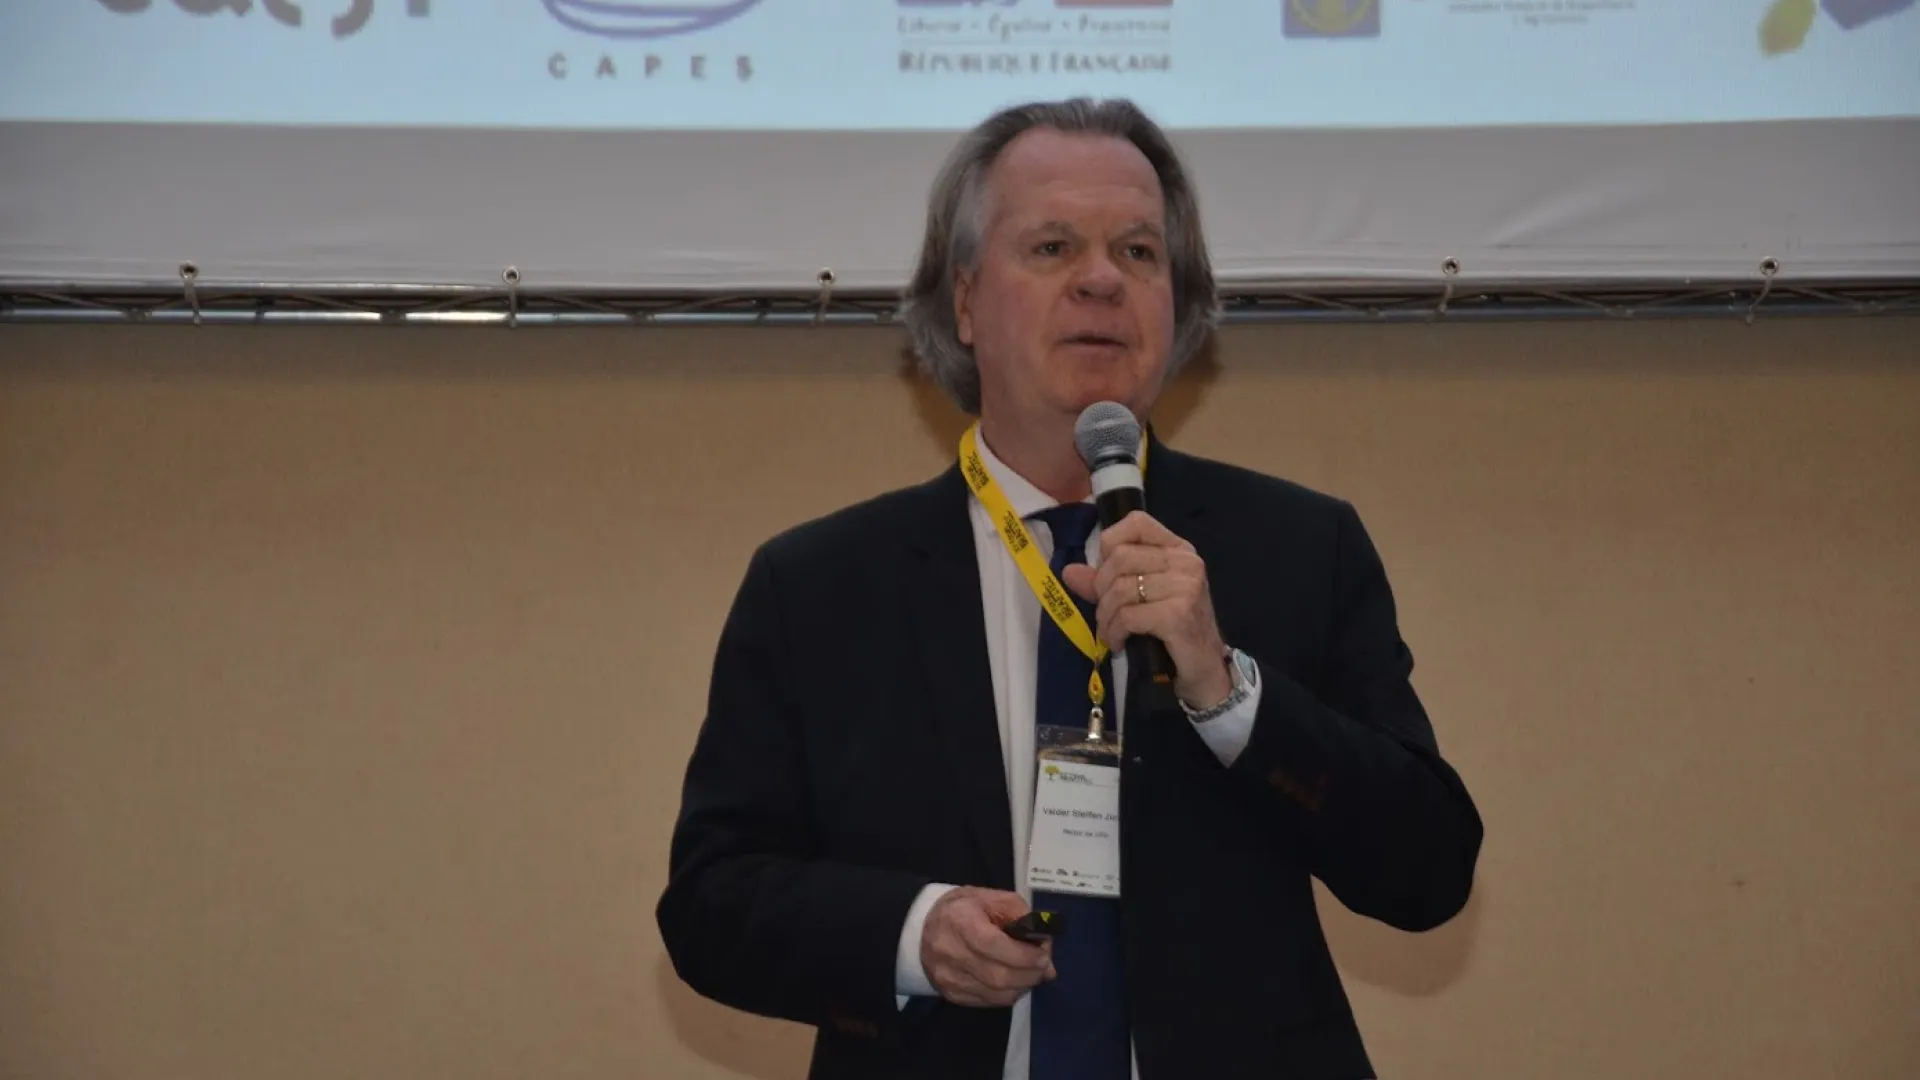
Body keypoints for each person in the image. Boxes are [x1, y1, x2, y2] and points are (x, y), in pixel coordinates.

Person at [656, 97, 1483, 1080]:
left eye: (1138, 252)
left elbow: (1428, 871)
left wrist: (1229, 693)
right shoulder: (822, 587)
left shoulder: (1301, 548)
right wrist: (912, 934)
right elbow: (711, 905)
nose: (1101, 279)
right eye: (1053, 248)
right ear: (966, 302)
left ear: (1176, 303)